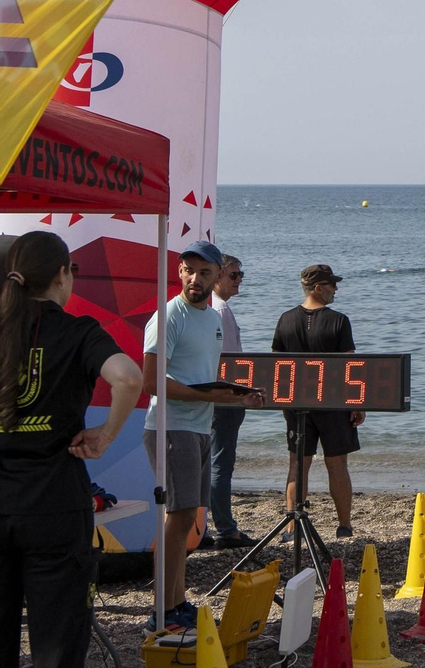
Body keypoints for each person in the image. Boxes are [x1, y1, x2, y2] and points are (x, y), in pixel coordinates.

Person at [1, 232, 142, 668]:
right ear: (63, 275)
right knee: (57, 645)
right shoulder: (78, 330)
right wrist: (105, 434)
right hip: (55, 505)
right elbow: (129, 378)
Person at [141, 240, 263, 632]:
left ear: (217, 276)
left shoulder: (212, 318)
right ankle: (162, 610)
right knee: (176, 521)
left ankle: (176, 602)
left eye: (205, 273)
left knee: (186, 521)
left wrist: (236, 393)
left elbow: (201, 377)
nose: (196, 279)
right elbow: (150, 381)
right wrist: (205, 395)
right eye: (189, 271)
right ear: (179, 271)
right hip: (169, 425)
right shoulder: (168, 317)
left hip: (197, 424)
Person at [272, 265, 362, 539]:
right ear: (318, 287)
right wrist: (357, 402)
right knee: (337, 465)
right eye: (332, 284)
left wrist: (283, 402)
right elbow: (350, 367)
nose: (336, 289)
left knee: (297, 464)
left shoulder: (285, 319)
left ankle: (292, 527)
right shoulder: (339, 321)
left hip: (297, 403)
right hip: (333, 403)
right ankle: (344, 525)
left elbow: (277, 366)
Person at [207, 254, 253, 550]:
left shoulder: (208, 308)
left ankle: (203, 527)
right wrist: (239, 394)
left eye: (240, 275)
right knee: (220, 464)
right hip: (223, 397)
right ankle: (225, 528)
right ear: (219, 275)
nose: (238, 280)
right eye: (233, 275)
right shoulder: (220, 309)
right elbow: (228, 362)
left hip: (211, 395)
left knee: (207, 464)